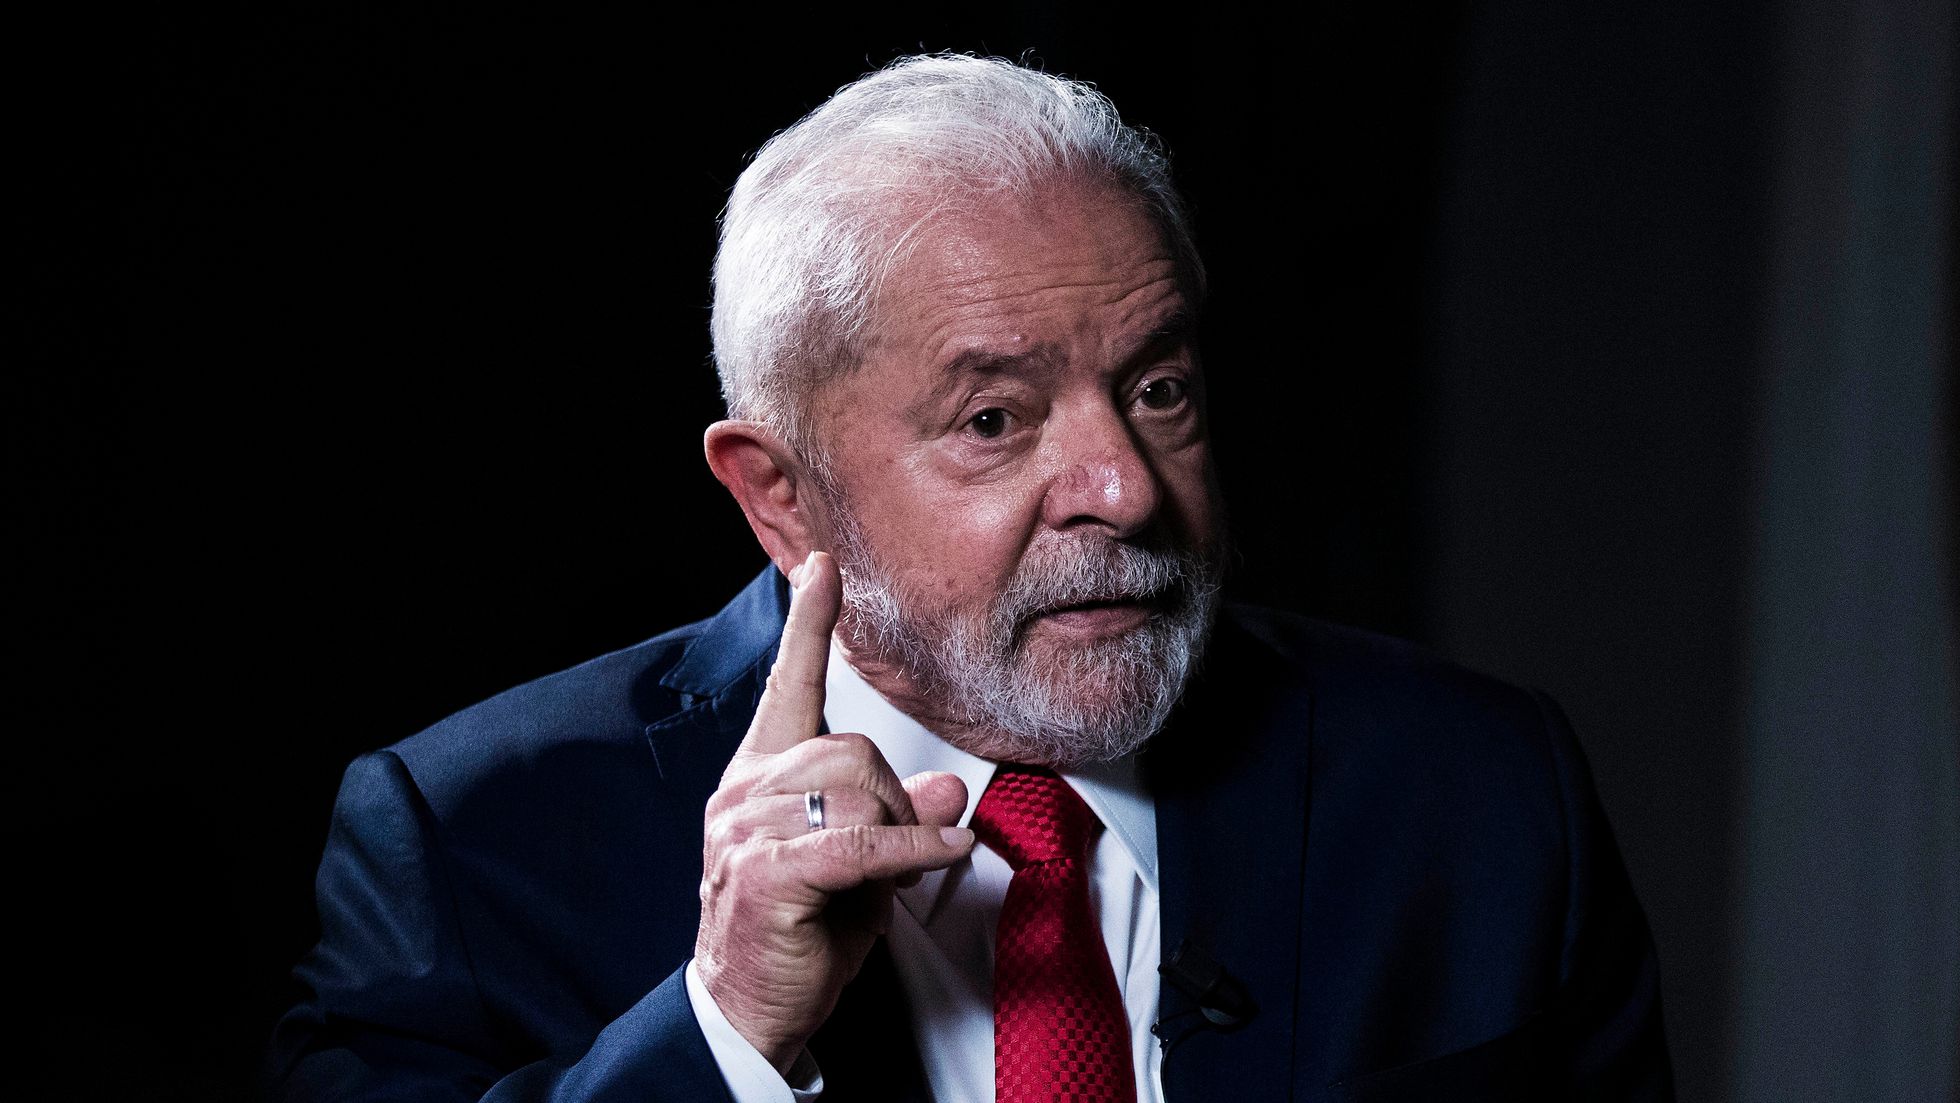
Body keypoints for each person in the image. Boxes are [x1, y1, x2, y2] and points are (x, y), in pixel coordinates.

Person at [268, 54, 1673, 1102]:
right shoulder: (467, 843)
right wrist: (728, 1030)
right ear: (780, 494)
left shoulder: (1479, 792)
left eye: (1160, 389)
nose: (1124, 488)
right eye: (994, 420)